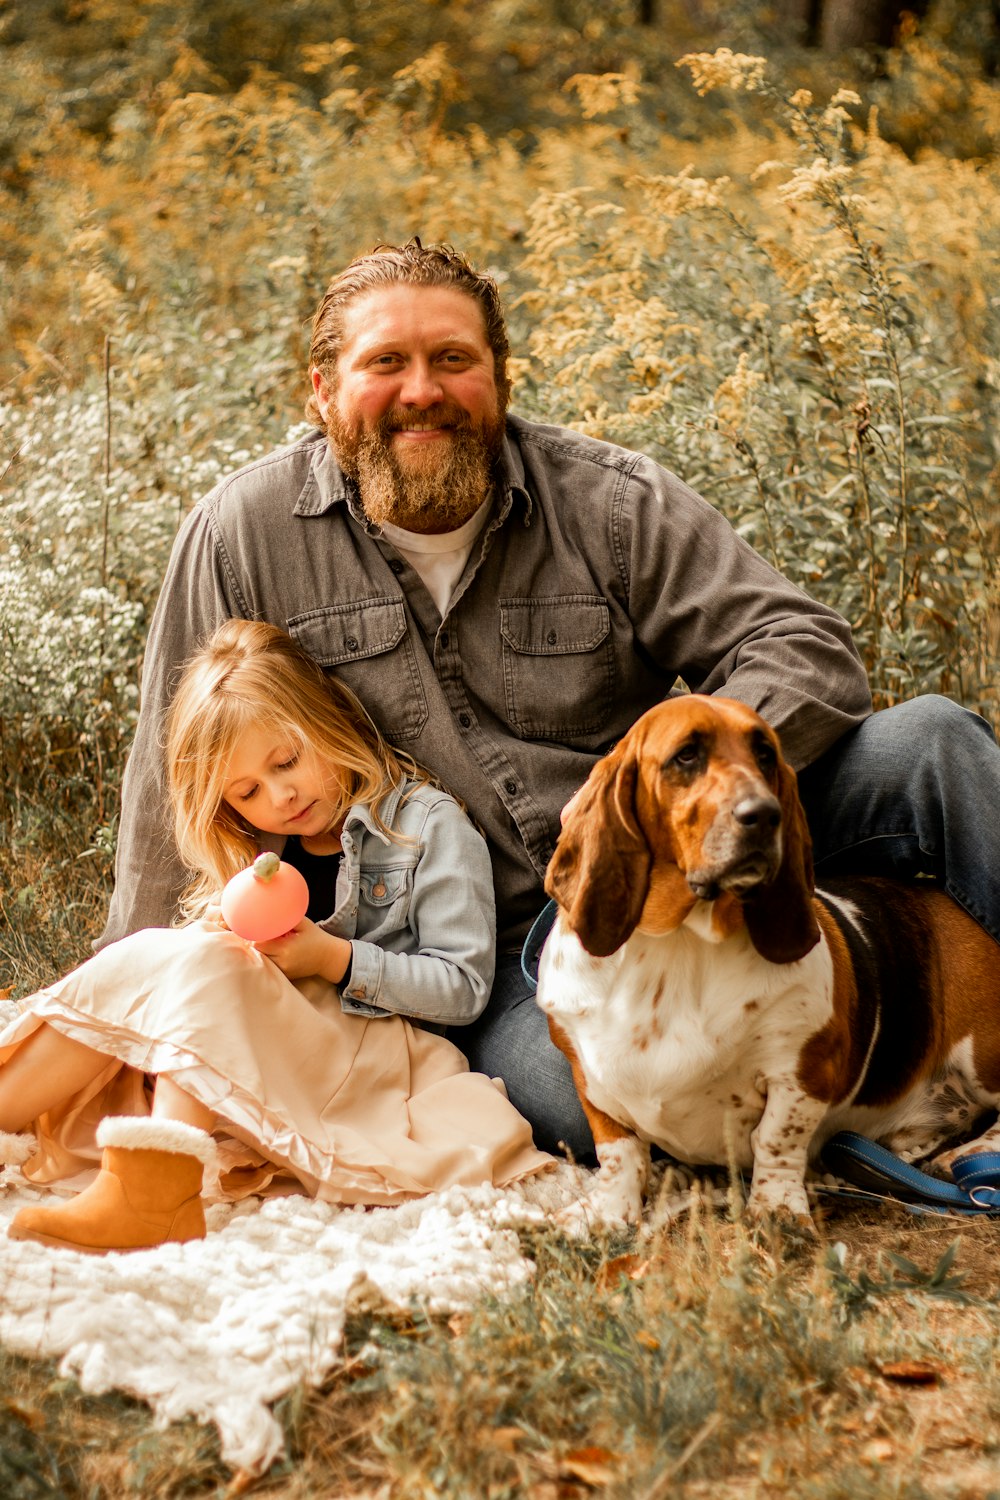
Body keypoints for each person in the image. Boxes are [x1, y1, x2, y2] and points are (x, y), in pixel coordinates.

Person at [98, 239, 1000, 1161]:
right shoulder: (242, 534)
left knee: (934, 744)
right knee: (588, 1113)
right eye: (386, 364)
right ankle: (848, 1106)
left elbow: (804, 648)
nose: (423, 391)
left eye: (454, 359)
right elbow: (172, 782)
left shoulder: (611, 504)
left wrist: (655, 794)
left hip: (666, 853)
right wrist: (128, 1019)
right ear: (321, 390)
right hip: (488, 951)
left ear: (500, 378)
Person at [0, 620, 551, 1253]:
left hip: (378, 1057)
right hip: (281, 1044)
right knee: (158, 955)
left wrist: (333, 958)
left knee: (210, 965)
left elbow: (463, 990)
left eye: (287, 760)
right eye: (248, 792)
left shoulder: (426, 827)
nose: (280, 796)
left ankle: (155, 1195)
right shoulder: (260, 849)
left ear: (325, 717)